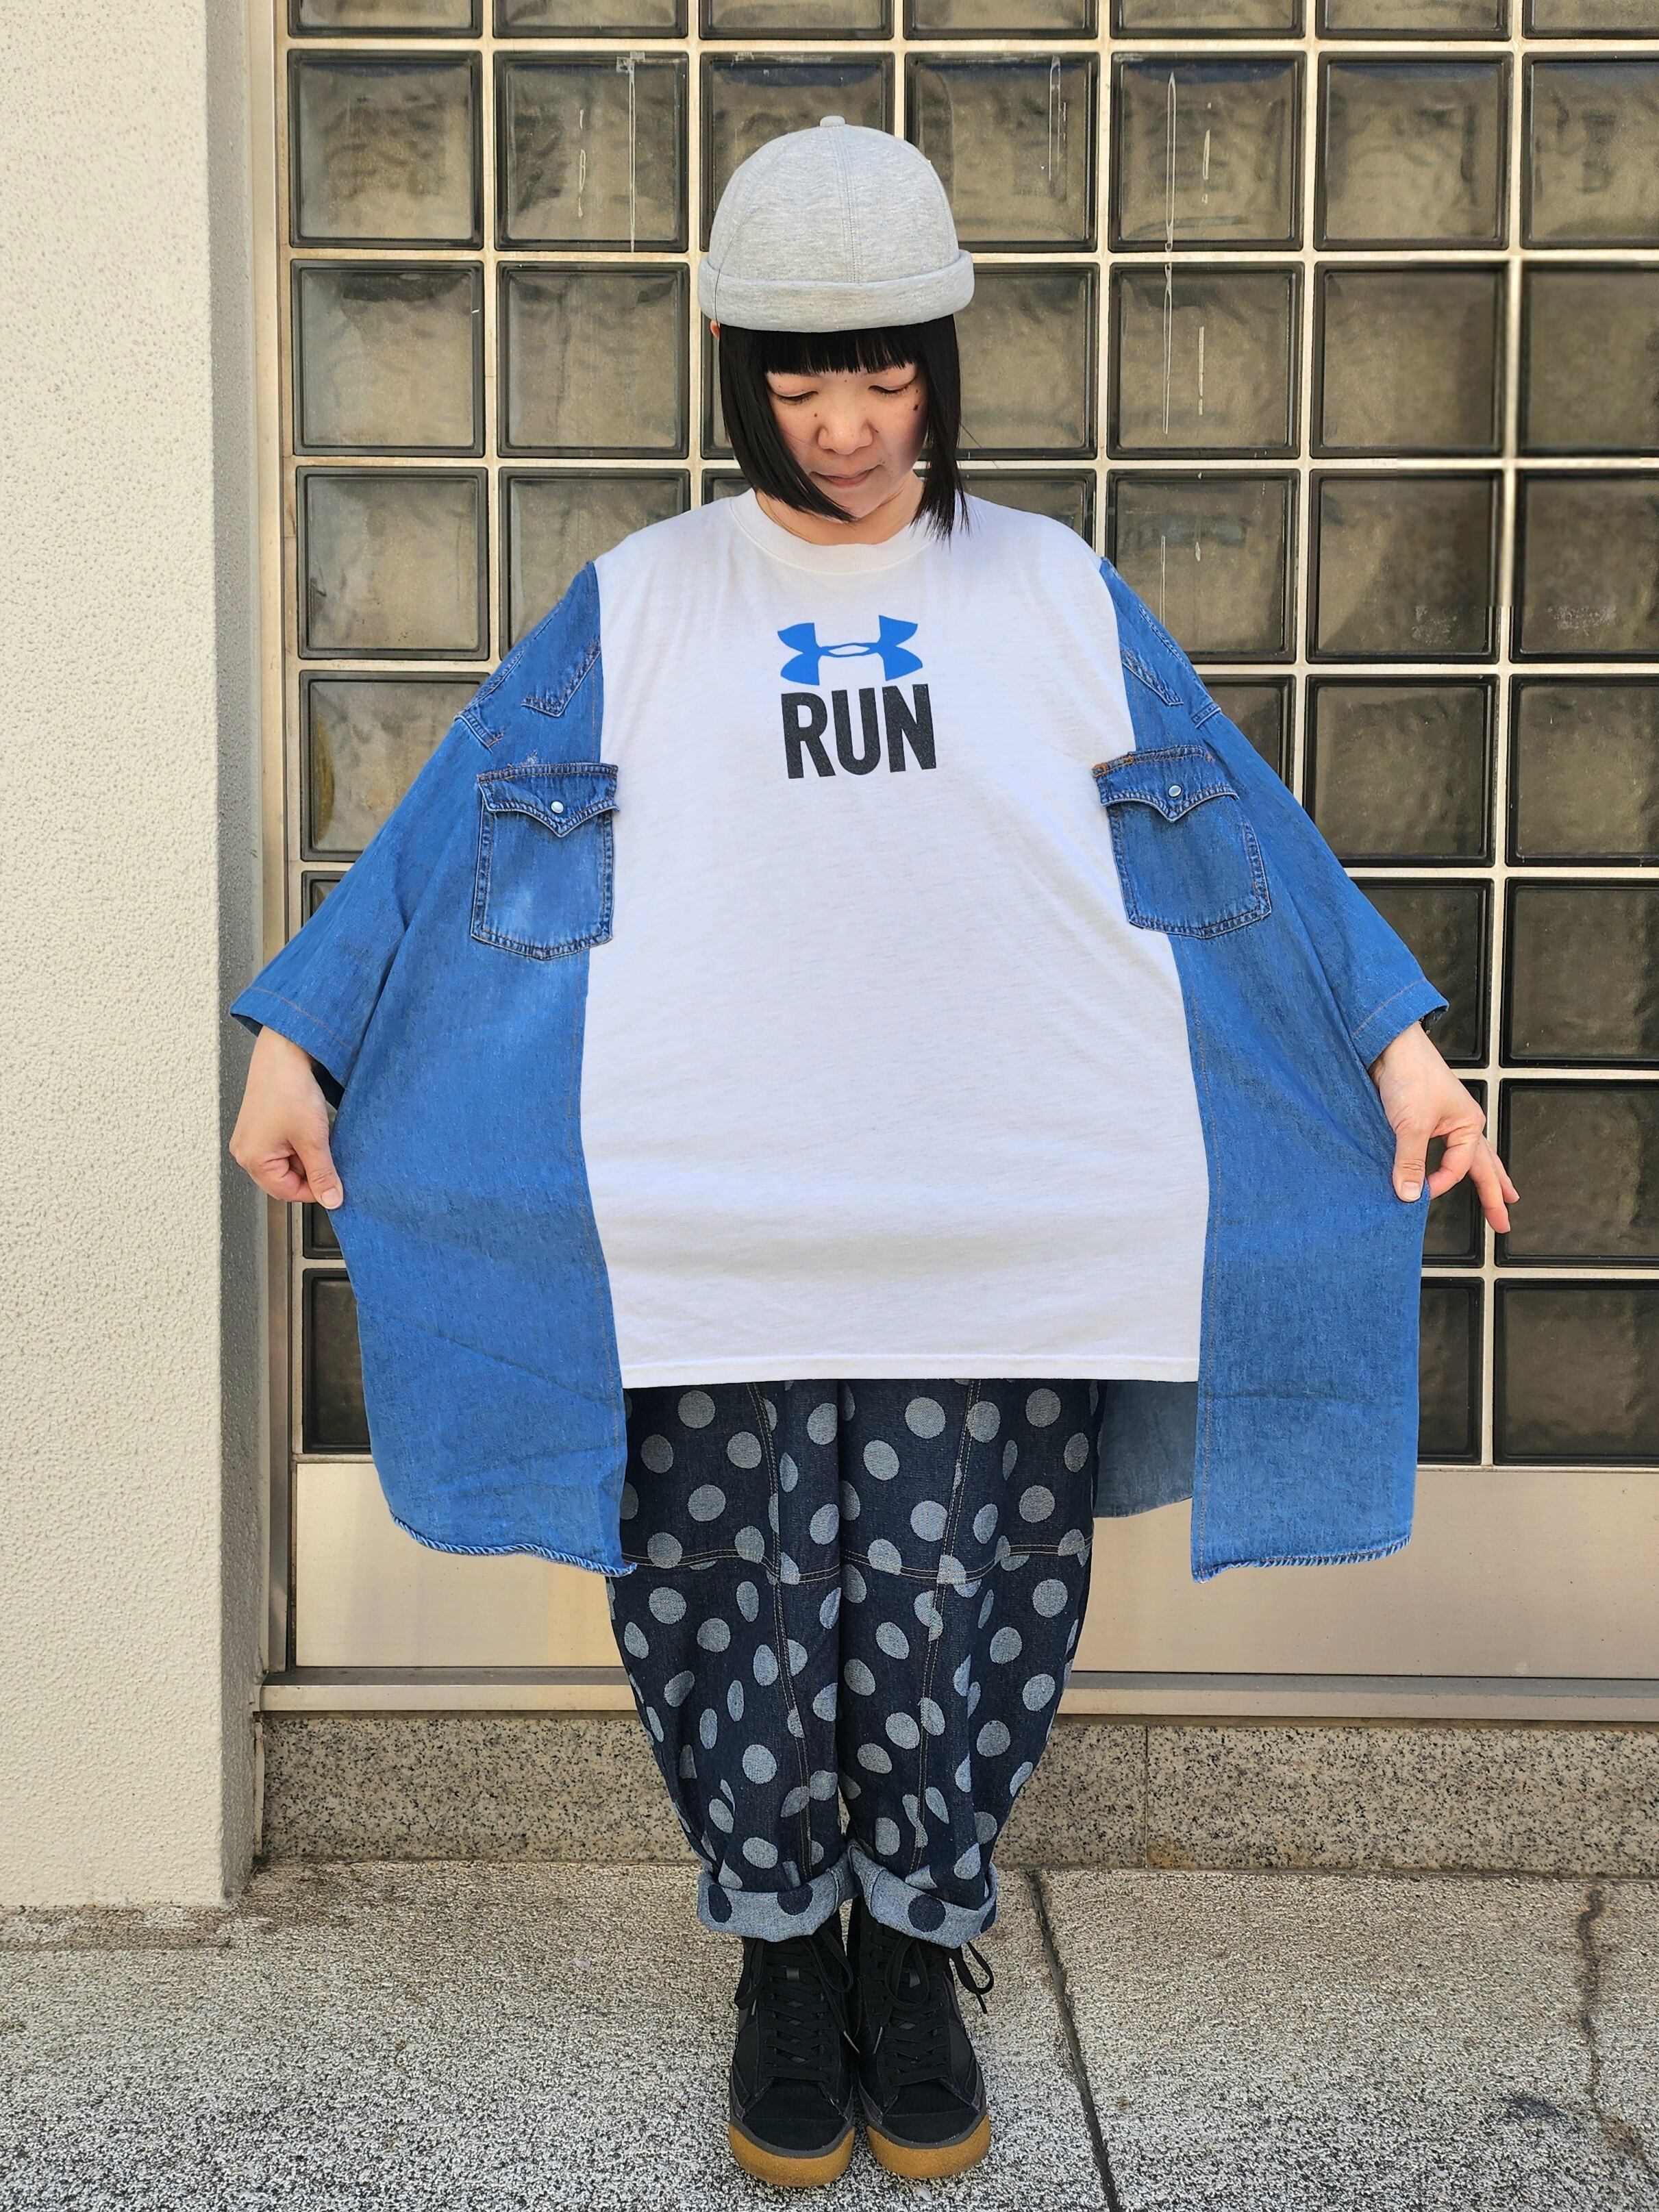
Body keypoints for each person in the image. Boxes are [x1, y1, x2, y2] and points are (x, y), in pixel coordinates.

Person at [229, 121, 1515, 2188]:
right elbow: (451, 838)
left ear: (945, 366)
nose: (845, 425)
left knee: (961, 1595)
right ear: (739, 370)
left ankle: (914, 1950)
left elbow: (1239, 841)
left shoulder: (1052, 591)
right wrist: (302, 1042)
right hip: (707, 1223)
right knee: (724, 1598)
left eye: (888, 376)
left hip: (990, 1220)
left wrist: (1401, 1048)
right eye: (802, 382)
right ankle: (776, 1955)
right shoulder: (644, 600)